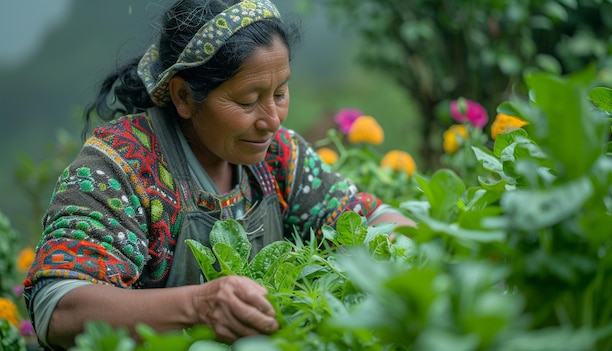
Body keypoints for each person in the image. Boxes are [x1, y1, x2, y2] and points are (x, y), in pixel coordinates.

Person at [23, 0, 415, 349]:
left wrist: (409, 245)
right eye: (248, 101)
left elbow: (372, 218)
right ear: (182, 97)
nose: (273, 121)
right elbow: (58, 306)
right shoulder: (119, 167)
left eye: (280, 93)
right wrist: (199, 306)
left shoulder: (279, 158)